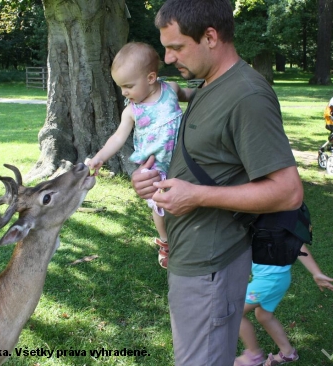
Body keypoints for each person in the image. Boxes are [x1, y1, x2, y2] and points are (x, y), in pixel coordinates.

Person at [130, 0, 303, 364]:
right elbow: (211, 160)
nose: (168, 59)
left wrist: (197, 195)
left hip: (212, 265)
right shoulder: (209, 82)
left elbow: (288, 192)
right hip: (192, 255)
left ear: (210, 37)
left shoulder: (248, 96)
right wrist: (155, 179)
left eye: (176, 47)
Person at [87, 42, 183, 269]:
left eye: (128, 86)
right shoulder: (132, 110)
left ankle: (185, 236)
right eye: (120, 87)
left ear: (151, 78)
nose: (124, 92)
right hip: (155, 166)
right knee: (159, 201)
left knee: (182, 201)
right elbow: (118, 138)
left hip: (181, 159)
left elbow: (193, 97)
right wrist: (100, 156)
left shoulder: (171, 89)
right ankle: (165, 242)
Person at [234, 245, 333, 366]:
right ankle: (288, 352)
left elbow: (297, 244)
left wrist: (316, 272)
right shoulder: (253, 225)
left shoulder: (275, 226)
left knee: (236, 312)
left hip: (269, 280)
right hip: (270, 279)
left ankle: (254, 356)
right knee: (264, 316)